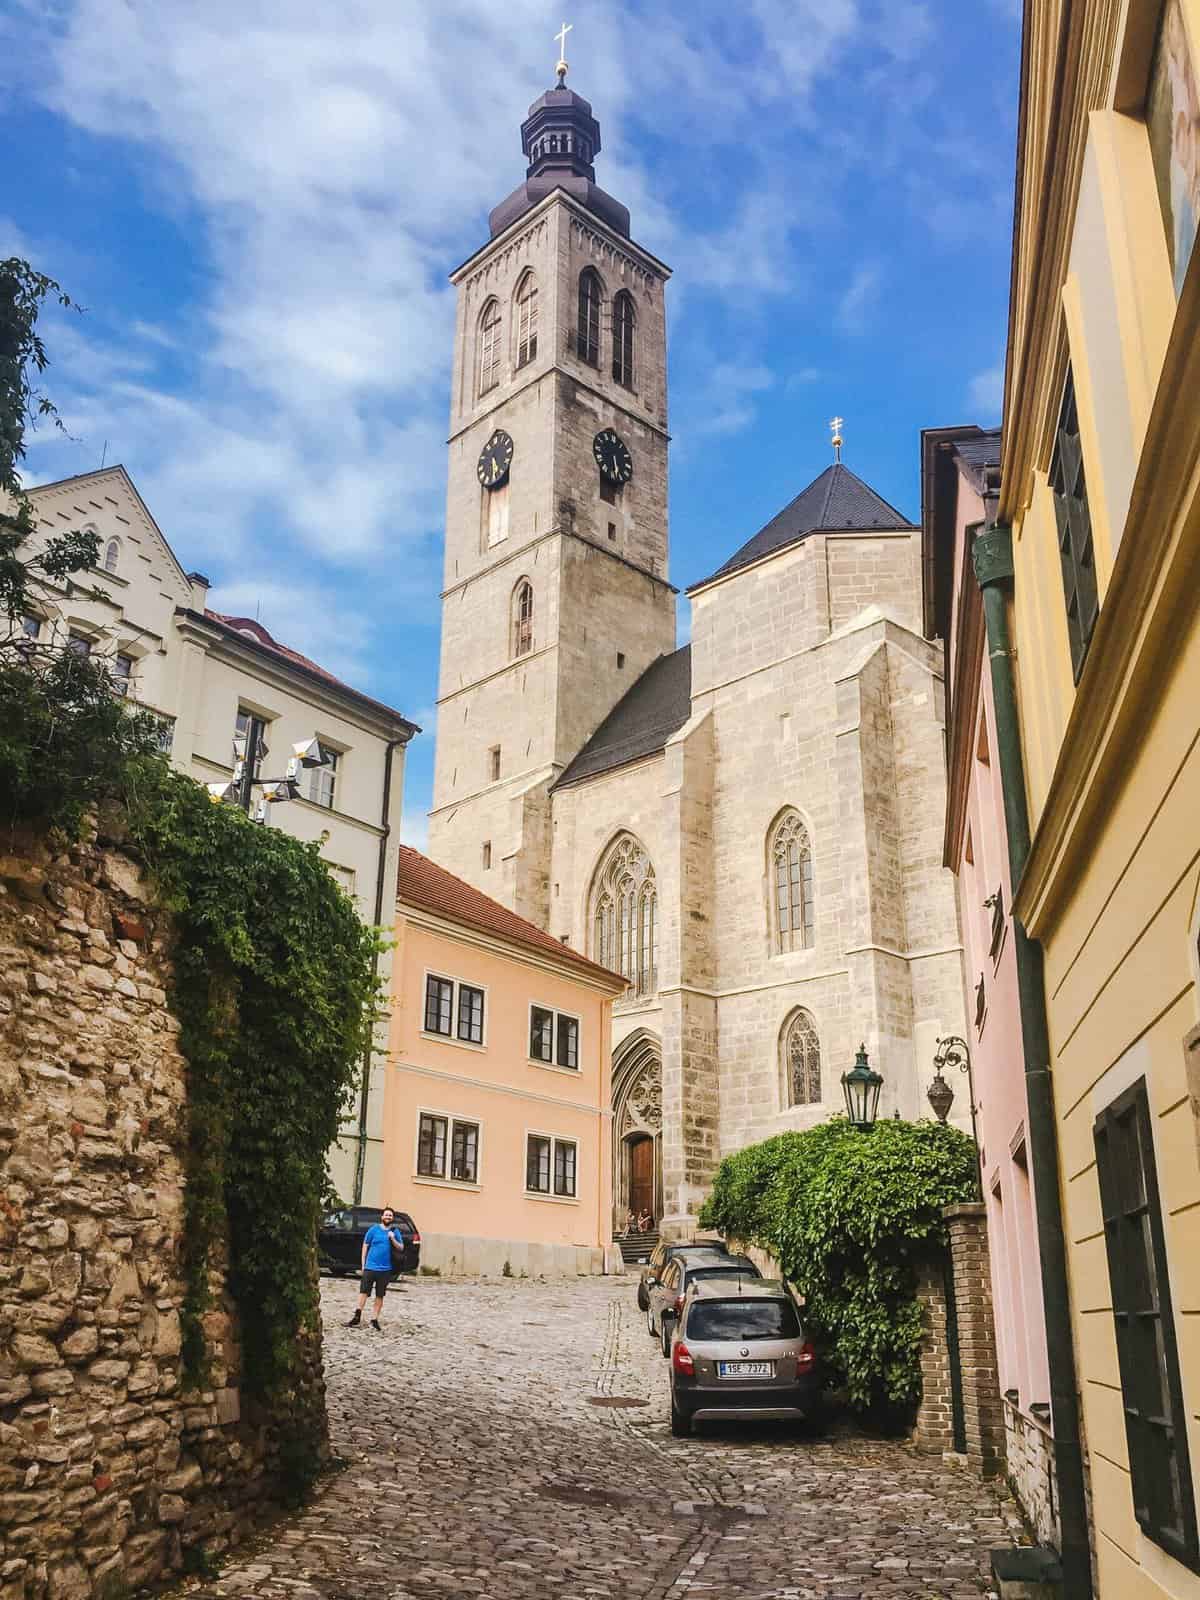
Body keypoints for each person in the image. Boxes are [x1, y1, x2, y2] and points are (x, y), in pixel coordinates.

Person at [346, 1207, 404, 1331]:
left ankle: (374, 1319)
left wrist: (392, 1238)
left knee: (380, 1295)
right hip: (370, 1267)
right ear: (382, 1217)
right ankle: (357, 1315)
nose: (388, 1217)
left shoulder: (395, 1231)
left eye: (390, 1216)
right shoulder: (373, 1229)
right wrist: (363, 1264)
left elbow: (401, 1248)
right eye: (386, 1215)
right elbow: (365, 1246)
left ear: (392, 1218)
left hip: (385, 1269)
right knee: (363, 1292)